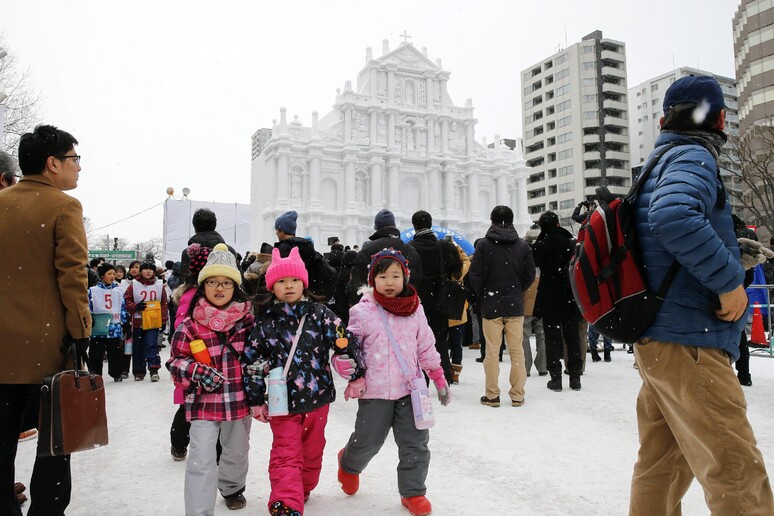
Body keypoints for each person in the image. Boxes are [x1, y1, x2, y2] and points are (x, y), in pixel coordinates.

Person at [629, 75, 774, 514]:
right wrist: (730, 281)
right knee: (735, 472)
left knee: (663, 465)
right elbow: (673, 217)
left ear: (662, 120)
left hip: (658, 336)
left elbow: (660, 236)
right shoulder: (694, 156)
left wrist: (728, 247)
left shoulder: (659, 161)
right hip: (691, 337)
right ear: (722, 119)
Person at [0, 124, 91, 516]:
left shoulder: (3, 201)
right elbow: (73, 275)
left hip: (3, 352)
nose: (78, 168)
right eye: (74, 159)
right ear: (52, 164)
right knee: (54, 444)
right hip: (47, 353)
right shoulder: (63, 207)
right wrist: (81, 332)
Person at [242, 247, 365, 515]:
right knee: (285, 452)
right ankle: (286, 501)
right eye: (282, 282)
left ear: (304, 283)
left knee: (312, 451)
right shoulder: (266, 323)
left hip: (317, 398)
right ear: (272, 287)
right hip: (280, 402)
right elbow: (251, 360)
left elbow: (344, 340)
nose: (289, 286)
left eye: (294, 280)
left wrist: (354, 370)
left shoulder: (321, 315)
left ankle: (303, 487)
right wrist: (255, 399)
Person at [337, 248, 450, 516]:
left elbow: (426, 346)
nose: (390, 282)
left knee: (415, 443)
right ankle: (349, 464)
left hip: (410, 389)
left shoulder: (416, 309)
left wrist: (437, 376)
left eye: (396, 276)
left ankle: (413, 492)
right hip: (375, 390)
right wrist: (343, 364)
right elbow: (348, 348)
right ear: (372, 279)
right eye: (383, 276)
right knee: (368, 441)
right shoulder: (361, 312)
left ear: (405, 278)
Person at [167, 244, 255, 513]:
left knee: (236, 452)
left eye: (227, 283)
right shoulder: (190, 325)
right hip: (204, 405)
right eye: (214, 282)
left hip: (240, 402)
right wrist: (197, 371)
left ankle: (231, 488)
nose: (220, 288)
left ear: (235, 287)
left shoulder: (248, 321)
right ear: (203, 285)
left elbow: (259, 353)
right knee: (201, 460)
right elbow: (175, 361)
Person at [469, 205, 536, 408]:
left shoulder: (484, 245)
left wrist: (484, 293)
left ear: (492, 221)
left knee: (492, 351)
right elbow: (530, 275)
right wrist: (517, 289)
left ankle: (492, 395)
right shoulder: (522, 246)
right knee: (517, 351)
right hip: (514, 303)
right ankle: (517, 395)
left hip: (491, 303)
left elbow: (475, 275)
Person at [169, 244, 213, 462]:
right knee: (190, 401)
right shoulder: (199, 294)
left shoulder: (187, 292)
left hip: (194, 350)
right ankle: (180, 442)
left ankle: (178, 443)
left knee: (188, 400)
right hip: (196, 349)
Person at [532, 211, 583, 392]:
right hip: (569, 295)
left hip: (548, 296)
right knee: (572, 336)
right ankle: (575, 376)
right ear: (559, 224)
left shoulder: (539, 246)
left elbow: (535, 268)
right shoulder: (571, 243)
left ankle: (556, 378)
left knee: (552, 337)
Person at [408, 211, 460, 384]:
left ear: (414, 225)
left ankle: (422, 378)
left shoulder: (410, 247)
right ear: (430, 224)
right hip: (440, 297)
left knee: (419, 340)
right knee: (440, 340)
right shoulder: (444, 246)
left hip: (418, 300)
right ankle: (444, 375)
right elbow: (456, 267)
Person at [346, 209, 423, 306]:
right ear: (394, 226)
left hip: (374, 309)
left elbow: (357, 284)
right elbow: (415, 280)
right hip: (404, 308)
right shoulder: (409, 249)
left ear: (376, 227)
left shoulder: (367, 250)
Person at [273, 210, 337, 301]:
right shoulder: (307, 246)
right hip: (310, 295)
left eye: (277, 230)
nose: (276, 233)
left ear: (281, 231)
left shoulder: (283, 249)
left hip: (291, 296)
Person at [123, 260, 169, 381]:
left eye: (150, 269)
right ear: (141, 271)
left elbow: (164, 303)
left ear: (154, 271)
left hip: (153, 320)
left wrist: (164, 320)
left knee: (151, 344)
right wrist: (135, 306)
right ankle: (138, 371)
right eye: (145, 269)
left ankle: (153, 369)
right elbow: (127, 300)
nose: (148, 271)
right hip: (138, 320)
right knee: (137, 346)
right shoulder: (134, 284)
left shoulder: (159, 285)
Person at [87, 263, 129, 381]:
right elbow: (88, 307)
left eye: (114, 274)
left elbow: (123, 308)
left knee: (115, 353)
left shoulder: (119, 290)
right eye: (109, 274)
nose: (112, 276)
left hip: (114, 327)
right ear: (102, 275)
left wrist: (125, 323)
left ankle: (116, 373)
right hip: (98, 327)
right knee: (96, 353)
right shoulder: (92, 291)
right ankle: (95, 375)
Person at [179, 208, 237, 282]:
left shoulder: (191, 252)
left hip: (197, 293)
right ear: (215, 224)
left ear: (195, 227)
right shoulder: (230, 250)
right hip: (225, 292)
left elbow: (184, 282)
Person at [446, 241, 470, 384]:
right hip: (458, 313)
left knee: (441, 343)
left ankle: (442, 369)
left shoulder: (441, 270)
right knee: (456, 345)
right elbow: (467, 260)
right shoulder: (459, 270)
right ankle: (455, 373)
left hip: (442, 312)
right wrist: (457, 248)